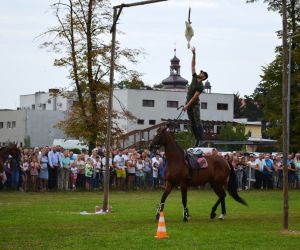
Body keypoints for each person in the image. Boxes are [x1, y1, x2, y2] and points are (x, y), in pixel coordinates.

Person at [183, 47, 208, 148]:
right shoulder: (194, 77)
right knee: (192, 123)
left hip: (194, 106)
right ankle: (197, 140)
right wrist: (194, 54)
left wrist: (187, 106)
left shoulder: (200, 86)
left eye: (202, 72)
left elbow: (194, 98)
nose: (200, 72)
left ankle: (201, 140)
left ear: (204, 77)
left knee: (197, 122)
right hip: (188, 105)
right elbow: (193, 65)